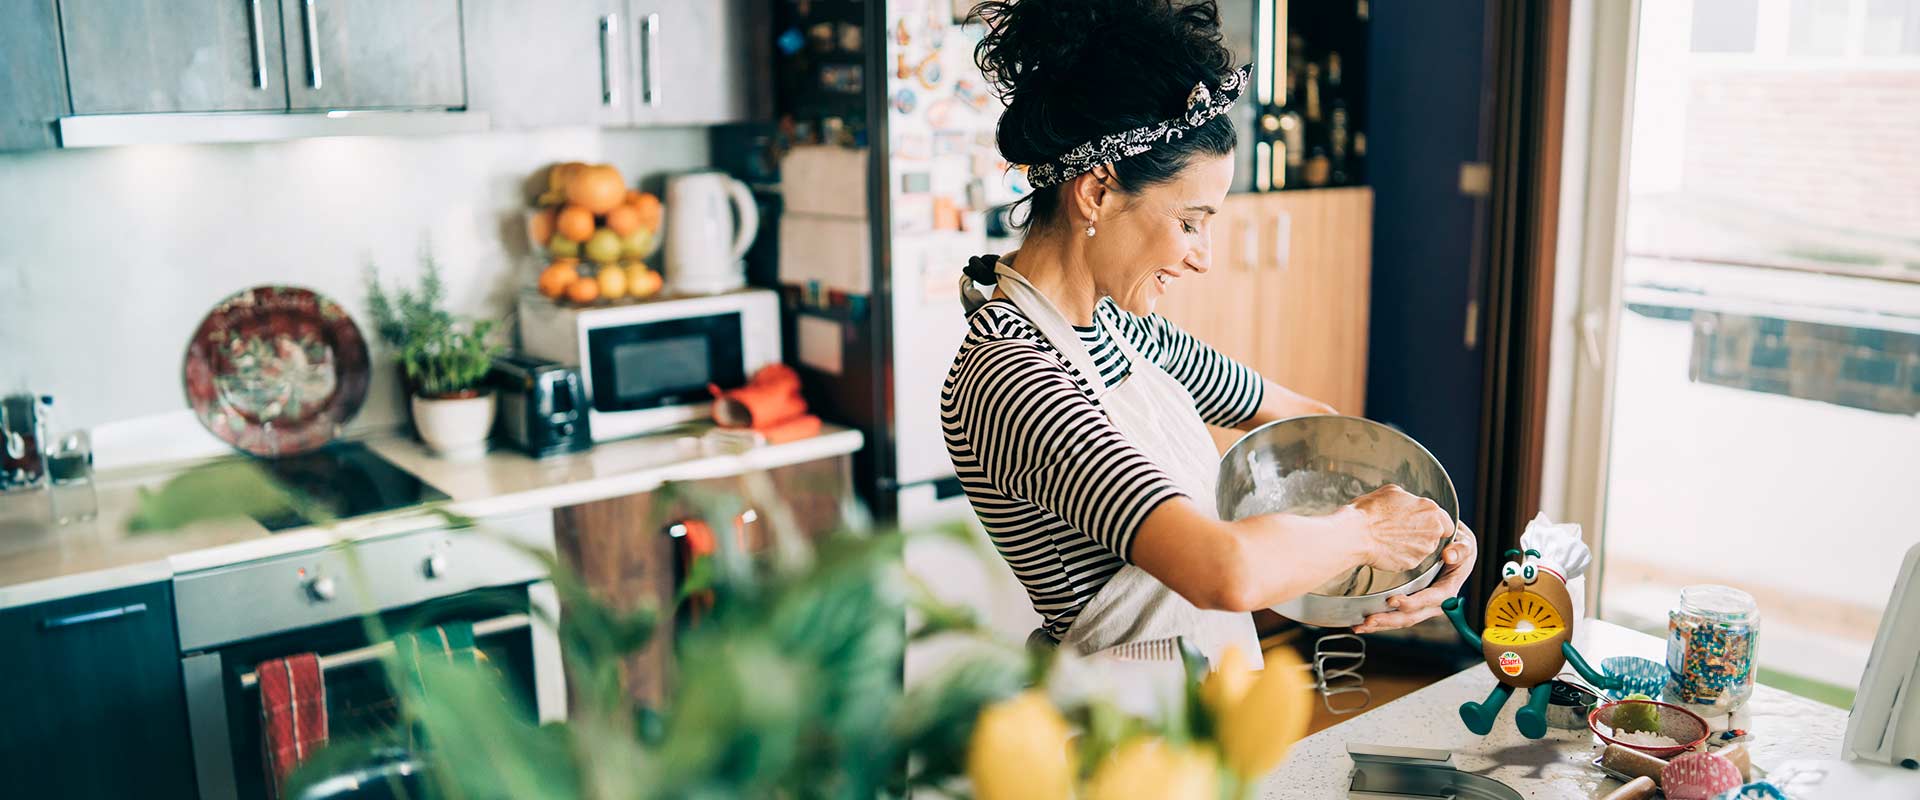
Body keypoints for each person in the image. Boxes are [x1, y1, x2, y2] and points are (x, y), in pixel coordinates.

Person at [941, 0, 1475, 665]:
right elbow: (1223, 571)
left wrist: (1435, 535)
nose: (1205, 254)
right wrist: (1369, 530)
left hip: (1204, 710)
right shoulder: (1011, 374)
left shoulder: (1130, 333)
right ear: (1097, 192)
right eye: (1191, 221)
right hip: (1113, 735)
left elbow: (1316, 432)